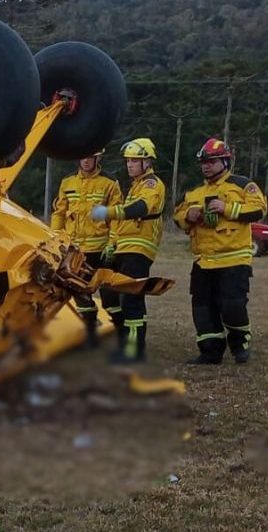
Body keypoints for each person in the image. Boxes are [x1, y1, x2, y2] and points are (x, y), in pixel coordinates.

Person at [172, 137, 267, 365]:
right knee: (202, 308)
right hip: (203, 260)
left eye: (212, 161)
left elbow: (259, 208)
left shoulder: (243, 185)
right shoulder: (193, 193)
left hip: (234, 258)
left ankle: (240, 345)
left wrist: (228, 208)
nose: (206, 166)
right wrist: (188, 215)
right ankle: (210, 351)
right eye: (204, 162)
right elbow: (177, 214)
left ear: (225, 162)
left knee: (232, 306)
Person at [89, 137, 166, 363]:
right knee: (110, 295)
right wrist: (113, 244)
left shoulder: (153, 184)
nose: (130, 165)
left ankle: (134, 350)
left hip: (139, 249)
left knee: (132, 300)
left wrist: (108, 212)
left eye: (135, 160)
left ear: (147, 162)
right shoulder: (136, 186)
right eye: (128, 161)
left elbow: (140, 208)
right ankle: (123, 343)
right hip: (124, 248)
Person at [50, 150, 123, 348]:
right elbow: (60, 212)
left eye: (90, 157)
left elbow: (115, 216)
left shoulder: (109, 183)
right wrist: (55, 238)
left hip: (100, 248)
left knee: (109, 294)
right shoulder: (67, 182)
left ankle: (120, 332)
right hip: (75, 250)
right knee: (80, 293)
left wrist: (112, 243)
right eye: (82, 156)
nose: (86, 160)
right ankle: (91, 330)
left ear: (98, 158)